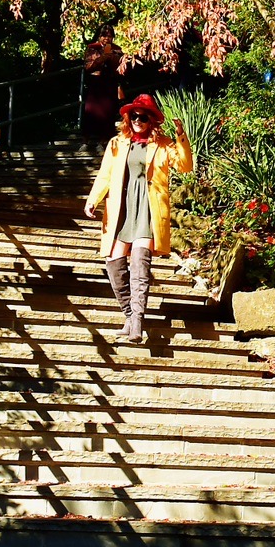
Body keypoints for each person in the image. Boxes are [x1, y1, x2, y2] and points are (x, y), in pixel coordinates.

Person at [81, 94, 193, 344]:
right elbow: (105, 175)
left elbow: (185, 166)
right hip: (122, 208)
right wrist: (93, 199)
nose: (137, 120)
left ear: (152, 120)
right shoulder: (117, 143)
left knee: (140, 266)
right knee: (114, 262)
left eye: (143, 117)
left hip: (147, 208)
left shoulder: (163, 145)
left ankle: (137, 322)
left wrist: (181, 137)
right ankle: (129, 316)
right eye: (134, 116)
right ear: (127, 118)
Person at [80, 30, 124, 138]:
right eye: (104, 36)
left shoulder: (117, 49)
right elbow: (88, 67)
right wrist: (102, 58)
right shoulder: (93, 48)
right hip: (96, 82)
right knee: (91, 110)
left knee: (108, 111)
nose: (107, 38)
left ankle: (105, 139)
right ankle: (87, 139)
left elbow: (120, 68)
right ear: (100, 36)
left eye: (110, 36)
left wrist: (113, 57)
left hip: (110, 83)